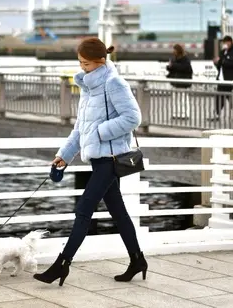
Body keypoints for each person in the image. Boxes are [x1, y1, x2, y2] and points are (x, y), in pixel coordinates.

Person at [33, 37, 147, 286]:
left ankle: (61, 265)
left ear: (101, 61)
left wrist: (99, 133)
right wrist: (65, 154)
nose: (82, 67)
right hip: (98, 161)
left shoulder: (113, 83)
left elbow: (133, 117)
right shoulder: (88, 86)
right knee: (119, 214)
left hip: (111, 159)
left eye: (86, 64)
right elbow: (80, 129)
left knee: (84, 209)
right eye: (80, 63)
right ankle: (138, 259)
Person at [208, 35, 233, 121]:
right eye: (224, 42)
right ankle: (216, 115)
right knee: (219, 98)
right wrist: (216, 63)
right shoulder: (222, 52)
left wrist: (221, 61)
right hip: (221, 79)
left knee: (231, 99)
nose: (225, 44)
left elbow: (230, 63)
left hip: (230, 80)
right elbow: (220, 65)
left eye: (226, 42)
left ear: (230, 42)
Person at [166, 44, 193, 119]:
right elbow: (173, 68)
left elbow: (185, 68)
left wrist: (173, 65)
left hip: (183, 82)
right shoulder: (174, 59)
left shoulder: (185, 59)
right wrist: (169, 67)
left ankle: (185, 114)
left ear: (178, 50)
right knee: (175, 99)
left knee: (183, 98)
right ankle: (176, 113)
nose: (173, 51)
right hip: (175, 82)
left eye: (174, 49)